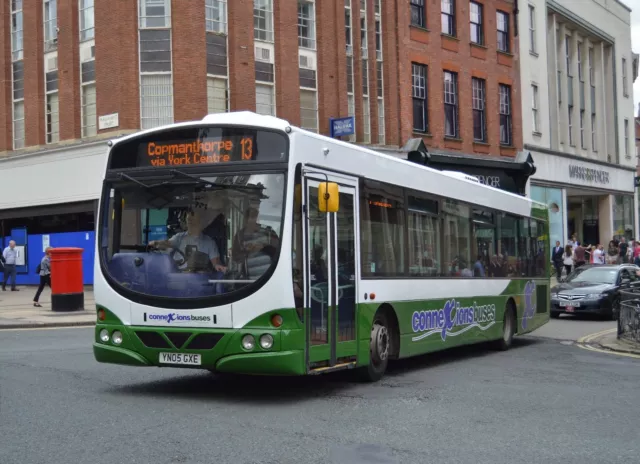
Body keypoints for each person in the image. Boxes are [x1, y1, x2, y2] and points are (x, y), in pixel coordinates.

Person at [150, 208, 227, 273]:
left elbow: (216, 263)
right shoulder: (179, 237)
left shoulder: (209, 242)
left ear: (200, 222)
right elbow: (167, 243)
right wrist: (156, 243)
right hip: (179, 279)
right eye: (188, 218)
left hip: (199, 280)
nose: (189, 220)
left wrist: (218, 266)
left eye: (192, 217)